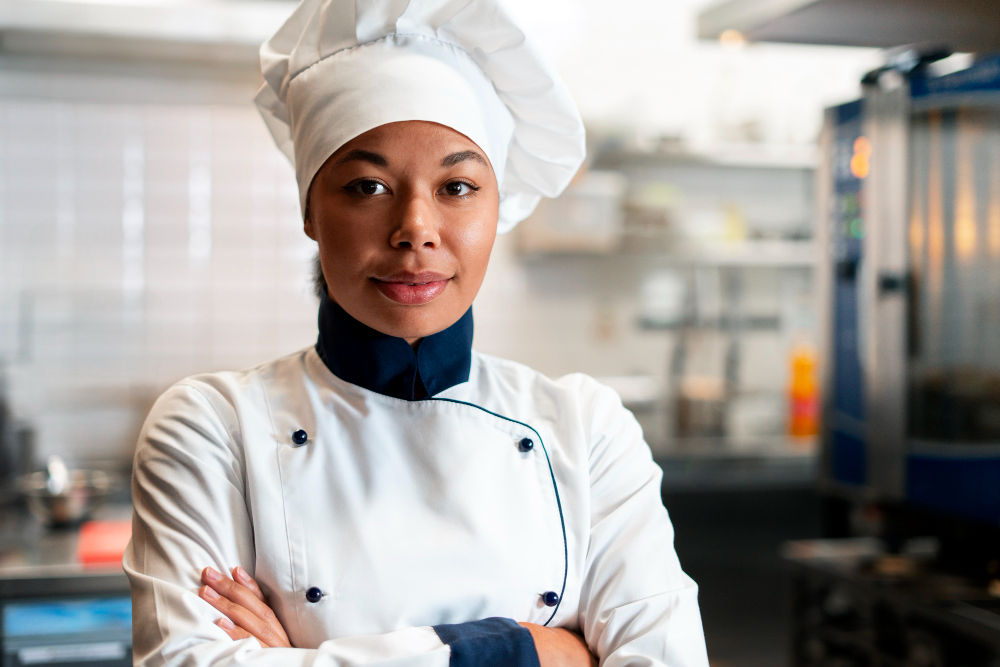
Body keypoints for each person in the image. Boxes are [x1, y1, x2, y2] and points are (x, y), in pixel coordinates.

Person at [123, 0, 709, 664]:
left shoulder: (587, 429)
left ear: (497, 208)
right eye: (368, 186)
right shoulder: (211, 426)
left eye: (458, 186)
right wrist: (533, 650)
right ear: (311, 209)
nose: (416, 229)